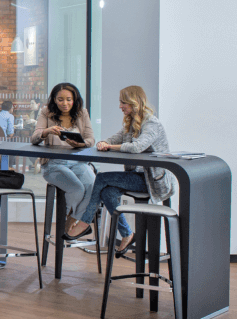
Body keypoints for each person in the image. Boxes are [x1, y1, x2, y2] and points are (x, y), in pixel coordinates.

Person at [67, 85, 177, 255]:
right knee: (108, 193)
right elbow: (114, 138)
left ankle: (85, 221)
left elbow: (137, 147)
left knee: (102, 178)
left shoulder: (151, 123)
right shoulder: (131, 122)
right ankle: (127, 233)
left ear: (135, 102)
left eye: (123, 102)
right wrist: (103, 143)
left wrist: (110, 146)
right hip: (137, 176)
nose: (120, 106)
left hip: (153, 181)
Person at [31, 83, 96, 233]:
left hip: (78, 162)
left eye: (68, 99)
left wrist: (79, 143)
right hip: (54, 164)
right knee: (78, 189)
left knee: (93, 186)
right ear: (54, 99)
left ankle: (71, 221)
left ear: (75, 99)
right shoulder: (46, 112)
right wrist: (47, 131)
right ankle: (68, 227)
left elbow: (91, 139)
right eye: (60, 99)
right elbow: (34, 138)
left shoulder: (82, 113)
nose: (65, 103)